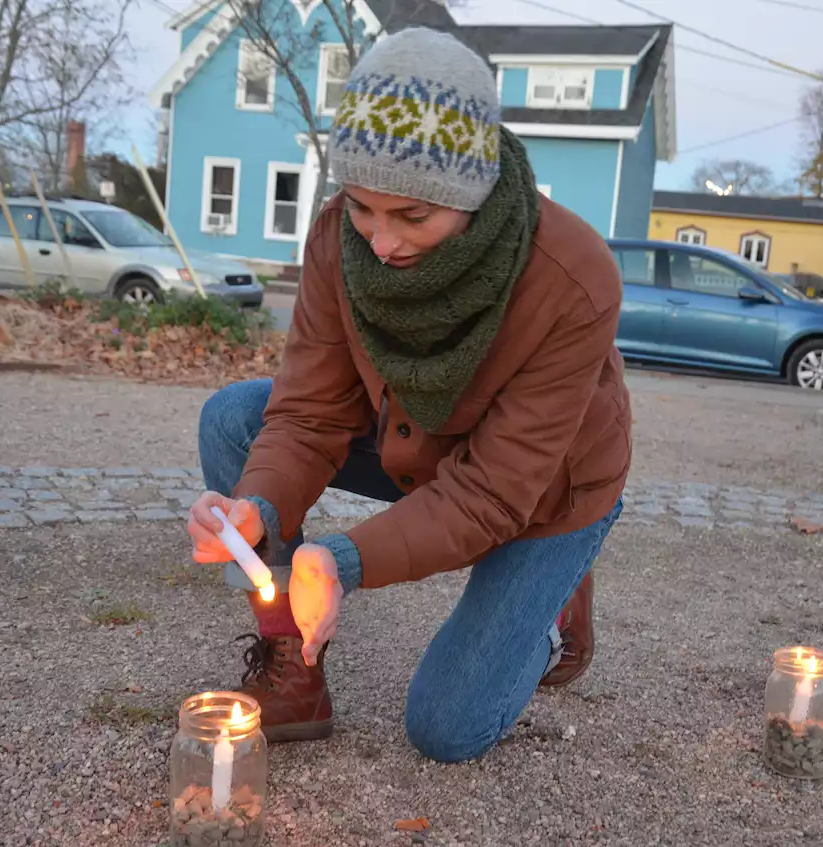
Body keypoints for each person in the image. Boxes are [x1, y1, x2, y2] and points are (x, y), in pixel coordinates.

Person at [188, 26, 632, 764]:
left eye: (412, 215)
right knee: (234, 419)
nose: (381, 240)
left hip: (541, 490)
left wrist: (343, 559)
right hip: (412, 444)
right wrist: (258, 509)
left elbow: (491, 493)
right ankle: (294, 669)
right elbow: (308, 412)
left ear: (474, 189)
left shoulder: (574, 276)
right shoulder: (339, 239)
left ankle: (554, 604)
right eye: (363, 206)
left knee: (447, 728)